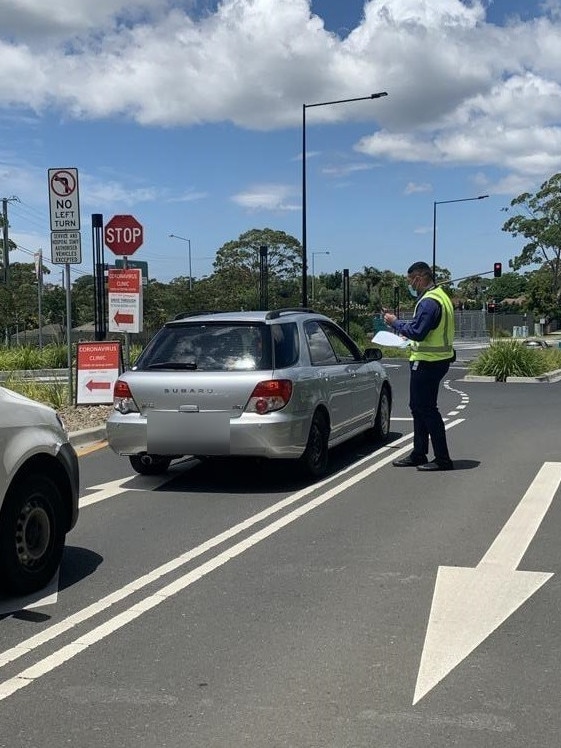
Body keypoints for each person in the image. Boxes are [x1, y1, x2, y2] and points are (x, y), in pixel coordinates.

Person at [383, 261, 455, 471]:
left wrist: (395, 322)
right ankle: (419, 453)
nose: (411, 285)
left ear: (420, 277)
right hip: (436, 360)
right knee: (418, 408)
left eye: (411, 280)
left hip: (428, 362)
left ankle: (442, 458)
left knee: (426, 409)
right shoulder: (441, 296)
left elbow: (418, 331)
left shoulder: (429, 302)